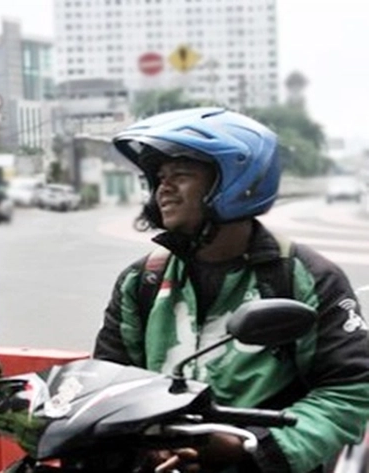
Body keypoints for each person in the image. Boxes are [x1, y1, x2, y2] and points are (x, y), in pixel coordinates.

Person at [93, 107, 369, 473]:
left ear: (238, 181)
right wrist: (142, 444)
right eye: (160, 177)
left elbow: (349, 391)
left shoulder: (304, 277)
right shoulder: (143, 280)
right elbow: (108, 382)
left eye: (182, 174)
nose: (164, 188)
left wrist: (251, 447)